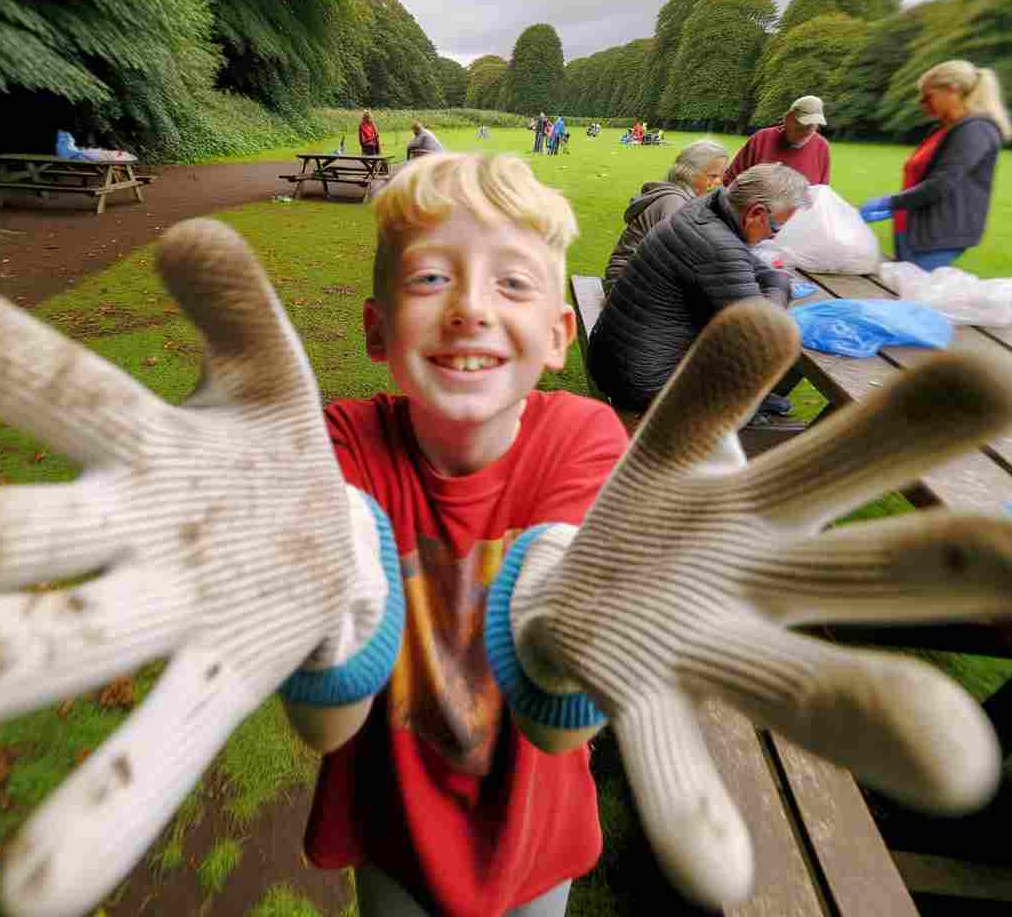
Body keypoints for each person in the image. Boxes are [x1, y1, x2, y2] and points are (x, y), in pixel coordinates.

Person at [305, 153, 628, 915]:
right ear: (377, 330)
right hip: (393, 831)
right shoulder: (342, 444)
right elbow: (325, 721)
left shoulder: (585, 439)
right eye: (429, 279)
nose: (469, 310)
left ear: (556, 337)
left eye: (512, 282)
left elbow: (560, 727)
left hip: (533, 835)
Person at [587, 163, 809, 425]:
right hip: (644, 383)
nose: (770, 238)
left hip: (611, 358)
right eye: (775, 229)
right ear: (755, 213)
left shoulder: (704, 208)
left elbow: (752, 267)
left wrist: (772, 281)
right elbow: (762, 333)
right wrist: (780, 287)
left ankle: (747, 399)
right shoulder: (718, 245)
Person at [858, 60, 1012, 271]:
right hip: (913, 228)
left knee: (913, 297)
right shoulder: (946, 129)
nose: (922, 103)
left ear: (952, 90)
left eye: (928, 95)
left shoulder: (976, 130)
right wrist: (898, 208)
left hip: (938, 235)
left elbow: (940, 184)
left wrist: (890, 202)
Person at [603, 139, 730, 294]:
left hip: (633, 279)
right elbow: (678, 262)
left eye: (720, 176)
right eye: (713, 176)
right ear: (690, 173)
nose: (718, 182)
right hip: (626, 286)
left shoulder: (679, 198)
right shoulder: (674, 203)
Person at [721, 94, 830, 187]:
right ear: (787, 118)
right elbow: (731, 179)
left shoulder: (822, 146)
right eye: (801, 126)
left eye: (812, 127)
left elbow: (822, 193)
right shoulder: (762, 138)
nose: (805, 132)